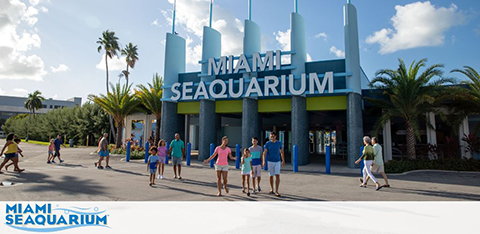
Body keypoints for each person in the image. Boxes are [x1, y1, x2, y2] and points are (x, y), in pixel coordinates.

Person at [263, 132, 285, 197]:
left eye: (273, 136)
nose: (272, 137)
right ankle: (272, 189)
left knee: (277, 175)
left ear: (275, 136)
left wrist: (283, 160)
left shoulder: (279, 143)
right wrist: (264, 161)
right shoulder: (267, 144)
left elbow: (281, 152)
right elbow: (265, 153)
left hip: (277, 161)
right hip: (270, 161)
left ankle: (277, 190)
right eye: (271, 136)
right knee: (271, 175)